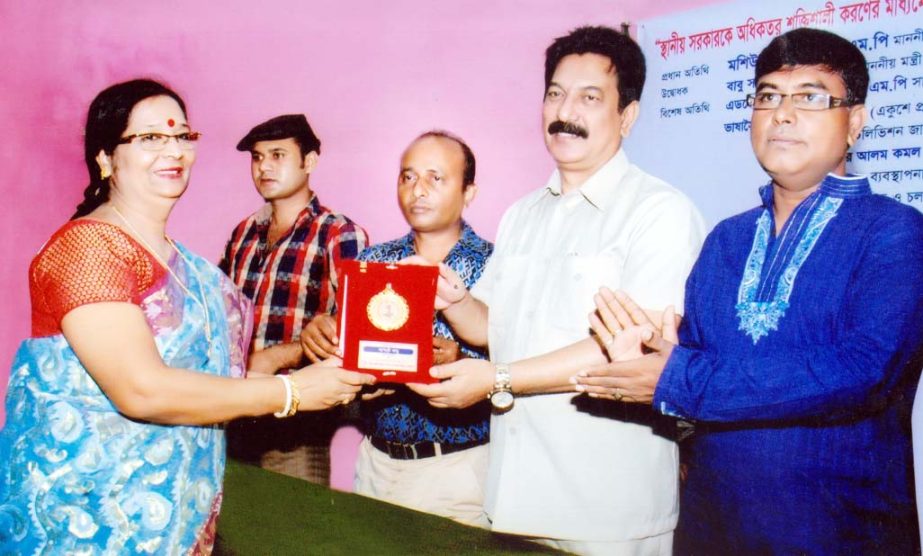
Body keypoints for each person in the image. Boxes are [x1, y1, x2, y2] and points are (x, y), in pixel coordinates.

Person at [575, 28, 923, 554]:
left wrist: (678, 377)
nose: (782, 114)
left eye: (810, 97)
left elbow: (863, 371)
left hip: (841, 533)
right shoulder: (726, 240)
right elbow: (697, 382)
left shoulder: (895, 232)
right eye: (767, 96)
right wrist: (646, 360)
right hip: (711, 531)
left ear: (854, 122)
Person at [0, 79, 375, 553]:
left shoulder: (191, 270)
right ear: (105, 157)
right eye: (151, 138)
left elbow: (228, 376)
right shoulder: (87, 248)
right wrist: (294, 392)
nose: (173, 150)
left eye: (181, 137)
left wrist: (341, 372)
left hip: (176, 520)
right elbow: (141, 389)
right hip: (86, 522)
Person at [409, 26, 705, 554]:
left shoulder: (661, 212)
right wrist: (455, 302)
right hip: (512, 500)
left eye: (590, 97)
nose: (565, 110)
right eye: (555, 93)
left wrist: (497, 379)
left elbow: (630, 354)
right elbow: (493, 326)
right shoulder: (522, 213)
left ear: (628, 116)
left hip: (607, 511)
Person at [300, 130, 493, 526]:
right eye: (407, 177)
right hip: (376, 462)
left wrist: (463, 358)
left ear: (469, 192)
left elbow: (518, 366)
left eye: (435, 178)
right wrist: (324, 337)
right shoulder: (373, 261)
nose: (417, 190)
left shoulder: (498, 265)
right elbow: (348, 370)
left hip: (456, 469)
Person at [220, 114, 369, 484]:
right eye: (257, 157)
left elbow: (357, 331)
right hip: (237, 410)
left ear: (310, 161)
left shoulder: (339, 232)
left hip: (299, 420)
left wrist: (280, 356)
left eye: (277, 155)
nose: (264, 167)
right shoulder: (243, 233)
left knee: (295, 533)